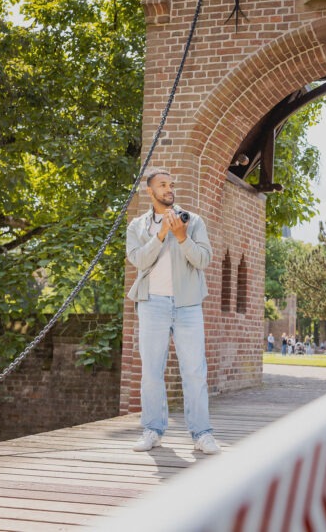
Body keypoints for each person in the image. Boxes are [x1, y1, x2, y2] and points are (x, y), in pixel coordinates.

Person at [126, 168, 221, 454]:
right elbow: (138, 260)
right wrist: (161, 235)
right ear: (150, 191)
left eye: (171, 184)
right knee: (151, 371)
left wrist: (181, 237)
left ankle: (201, 434)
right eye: (163, 184)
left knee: (194, 371)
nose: (169, 189)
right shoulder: (137, 226)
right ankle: (152, 430)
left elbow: (203, 260)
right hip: (152, 304)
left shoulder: (193, 222)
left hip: (188, 304)